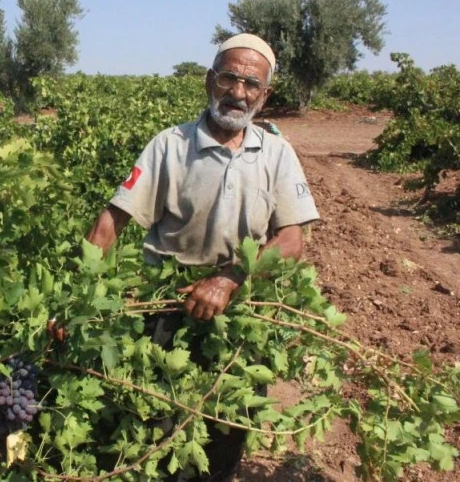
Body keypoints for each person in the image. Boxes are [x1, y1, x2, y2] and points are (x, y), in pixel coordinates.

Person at [85, 34, 320, 481]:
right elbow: (109, 223)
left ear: (264, 95)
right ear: (210, 81)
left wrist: (229, 279)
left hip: (242, 313)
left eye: (252, 84)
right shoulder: (169, 146)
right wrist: (78, 298)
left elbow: (291, 240)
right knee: (157, 430)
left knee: (225, 435)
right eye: (229, 78)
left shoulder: (276, 153)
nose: (238, 92)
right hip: (166, 310)